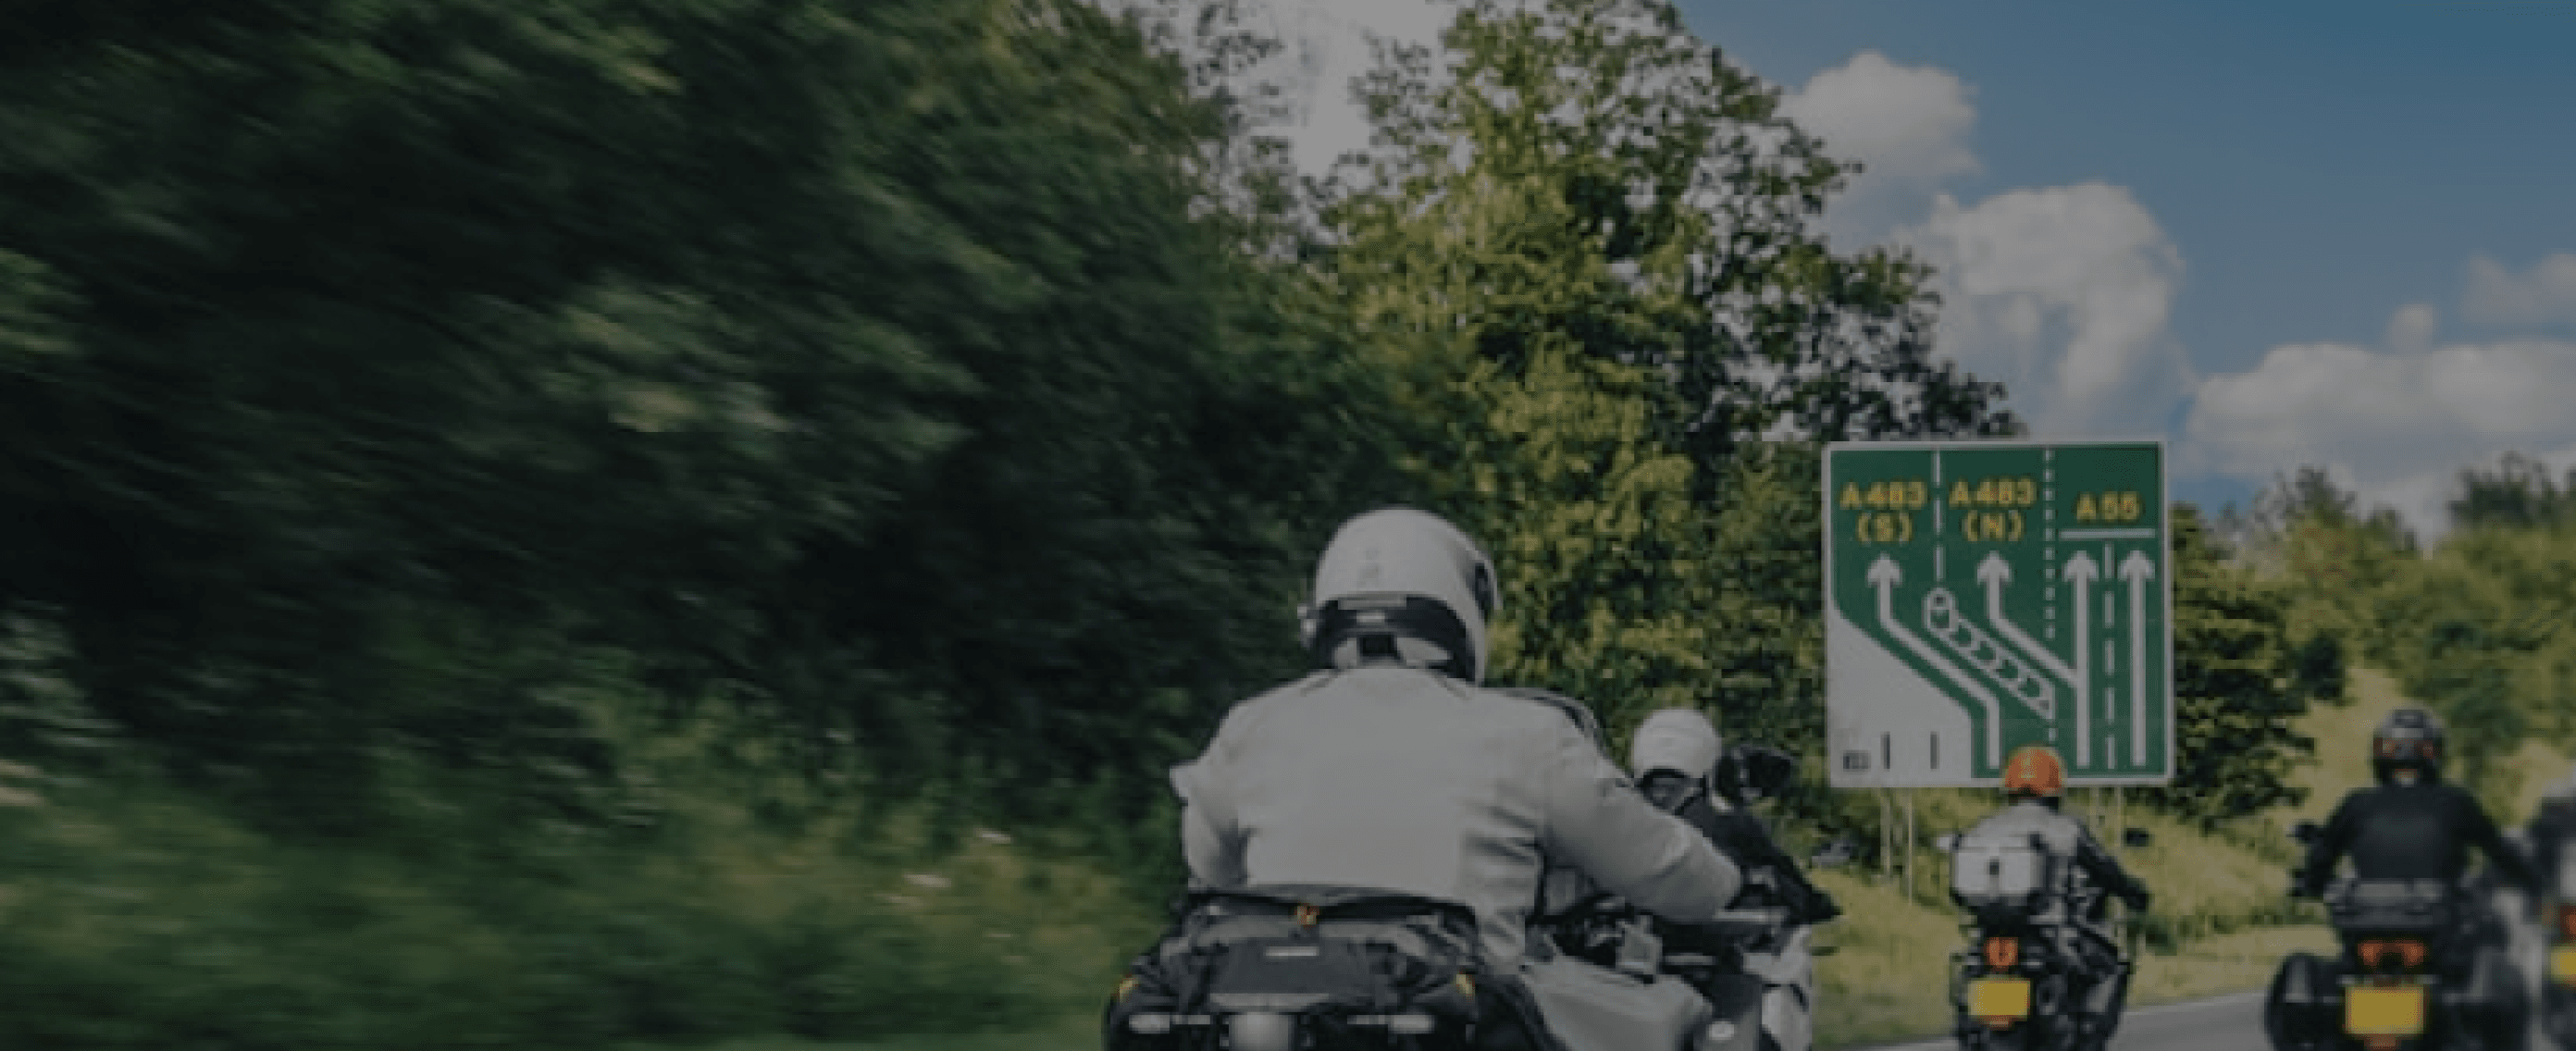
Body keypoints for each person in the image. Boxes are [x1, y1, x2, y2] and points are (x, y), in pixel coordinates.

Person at [1139, 507, 1744, 1051]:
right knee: (1679, 1021)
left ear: (1323, 612)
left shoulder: (1251, 726)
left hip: (1285, 1020)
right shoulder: (1526, 734)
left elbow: (1210, 874)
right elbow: (1671, 875)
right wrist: (1722, 876)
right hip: (1458, 1023)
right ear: (1461, 606)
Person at [1958, 744, 2149, 1048]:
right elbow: (2104, 869)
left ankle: (1974, 1026)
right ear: (2055, 789)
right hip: (2049, 935)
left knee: (1968, 973)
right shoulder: (2065, 829)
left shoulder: (1986, 827)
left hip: (1988, 936)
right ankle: (2086, 1035)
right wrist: (2133, 892)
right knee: (2110, 965)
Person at [1627, 708, 1841, 927]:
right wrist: (1817, 903)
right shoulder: (1729, 821)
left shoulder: (1620, 814)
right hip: (1709, 945)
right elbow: (1781, 869)